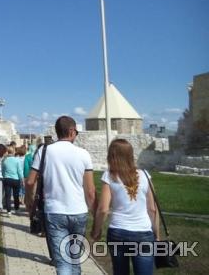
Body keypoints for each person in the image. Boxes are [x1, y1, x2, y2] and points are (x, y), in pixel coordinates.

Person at [25, 116, 96, 274]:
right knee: (75, 259)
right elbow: (90, 191)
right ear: (71, 131)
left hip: (55, 211)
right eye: (76, 132)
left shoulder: (44, 151)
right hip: (79, 211)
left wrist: (29, 201)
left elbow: (30, 182)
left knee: (63, 262)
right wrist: (94, 213)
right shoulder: (83, 154)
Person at [91, 139, 158, 275]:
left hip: (118, 232)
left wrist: (96, 230)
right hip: (143, 232)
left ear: (112, 156)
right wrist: (157, 235)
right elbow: (152, 208)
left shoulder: (110, 176)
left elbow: (103, 209)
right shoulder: (145, 175)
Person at [2, 145, 23, 216]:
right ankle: (16, 209)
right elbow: (19, 171)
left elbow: (3, 170)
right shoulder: (17, 160)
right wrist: (22, 179)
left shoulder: (4, 160)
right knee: (16, 195)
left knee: (8, 195)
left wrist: (4, 176)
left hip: (7, 179)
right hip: (15, 179)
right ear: (13, 152)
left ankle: (9, 211)